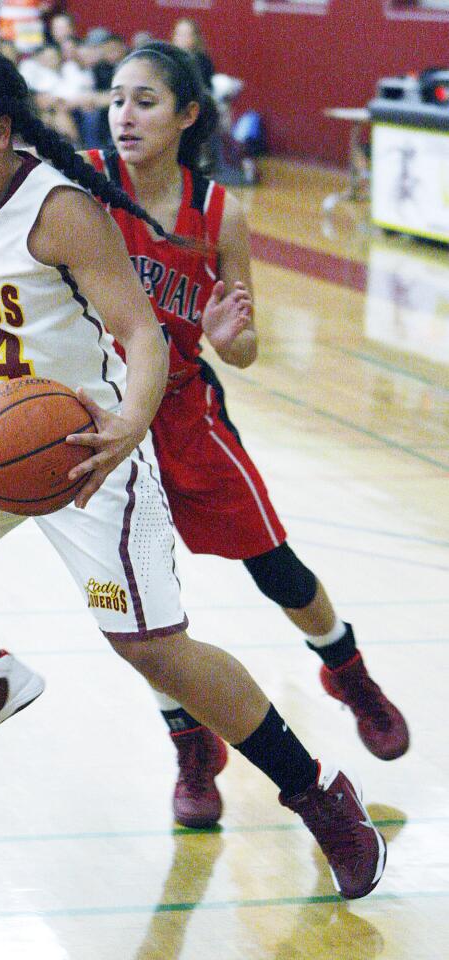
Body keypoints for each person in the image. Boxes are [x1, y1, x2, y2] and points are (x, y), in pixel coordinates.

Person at [0, 42, 386, 901]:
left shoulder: (61, 213)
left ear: (2, 135)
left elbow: (144, 334)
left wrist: (128, 427)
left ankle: (318, 793)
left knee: (154, 650)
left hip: (84, 437)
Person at [83, 41, 409, 826]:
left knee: (275, 563)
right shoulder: (83, 180)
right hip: (99, 415)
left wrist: (231, 335)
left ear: (188, 114)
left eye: (145, 101)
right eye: (117, 98)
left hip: (188, 413)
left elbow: (246, 345)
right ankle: (192, 743)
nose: (124, 114)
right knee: (143, 607)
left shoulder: (220, 209)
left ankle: (345, 668)